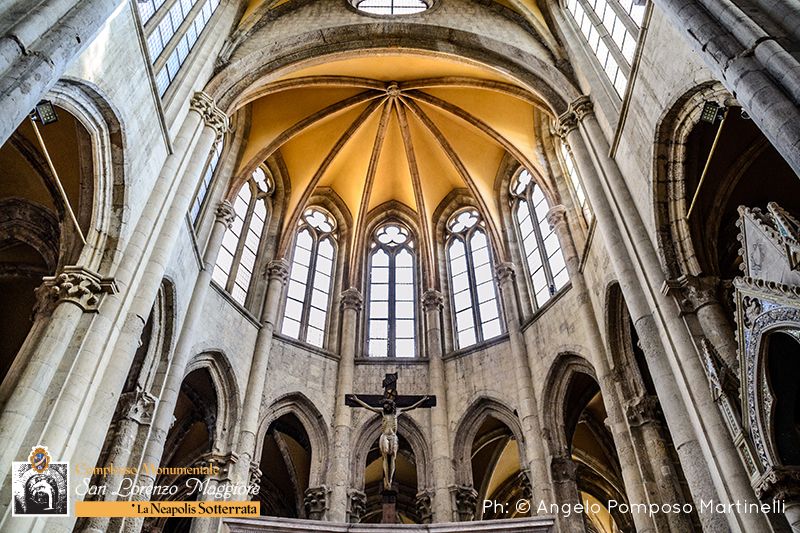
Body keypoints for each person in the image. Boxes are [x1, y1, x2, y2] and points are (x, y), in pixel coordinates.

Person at [350, 394, 429, 490]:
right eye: (384, 406)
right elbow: (368, 407)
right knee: (385, 455)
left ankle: (389, 480)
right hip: (385, 436)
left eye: (386, 405)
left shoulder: (397, 412)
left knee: (392, 458)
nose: (385, 407)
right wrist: (357, 400)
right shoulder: (382, 413)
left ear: (391, 405)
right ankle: (386, 480)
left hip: (393, 437)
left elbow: (412, 406)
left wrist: (423, 400)